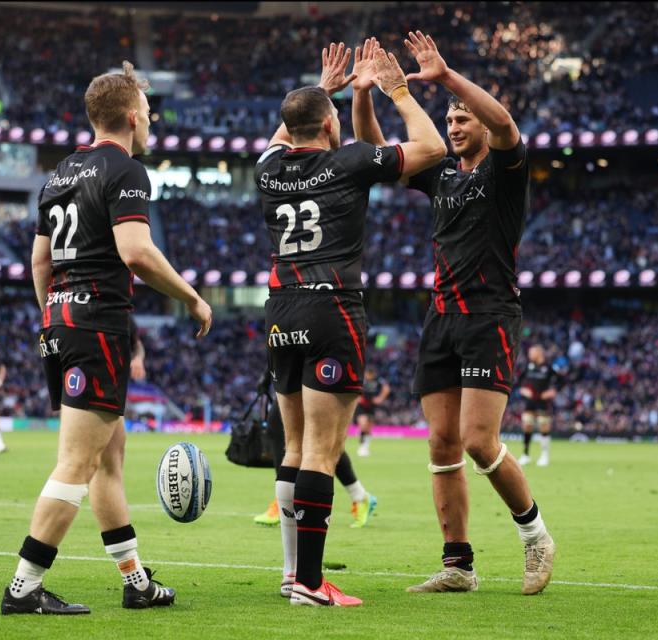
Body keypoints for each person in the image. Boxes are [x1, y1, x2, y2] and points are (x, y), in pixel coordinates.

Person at [1, 61, 213, 616]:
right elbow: (136, 253)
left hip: (64, 321)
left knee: (106, 457)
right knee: (76, 462)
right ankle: (23, 587)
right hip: (98, 326)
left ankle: (135, 579)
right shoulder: (125, 169)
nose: (150, 121)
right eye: (147, 113)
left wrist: (53, 316)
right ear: (128, 116)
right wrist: (191, 296)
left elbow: (40, 260)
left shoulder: (60, 174)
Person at [352, 31, 554, 596]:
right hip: (441, 319)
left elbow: (509, 125)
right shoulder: (442, 176)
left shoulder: (504, 174)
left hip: (489, 315)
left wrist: (443, 77)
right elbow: (379, 157)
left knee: (478, 441)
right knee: (441, 445)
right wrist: (367, 93)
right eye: (451, 119)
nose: (455, 125)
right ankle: (458, 566)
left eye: (464, 118)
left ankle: (535, 536)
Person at [257, 42, 445, 606]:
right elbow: (433, 148)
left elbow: (282, 134)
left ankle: (292, 573)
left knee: (294, 447)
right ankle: (312, 585)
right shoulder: (349, 163)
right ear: (329, 124)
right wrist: (397, 92)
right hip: (332, 307)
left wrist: (325, 90)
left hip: (281, 309)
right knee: (322, 450)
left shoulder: (267, 170)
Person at [252, 370, 378, 530]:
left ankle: (284, 500)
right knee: (308, 436)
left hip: (315, 364)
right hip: (294, 363)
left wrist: (267, 374)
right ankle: (359, 496)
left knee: (316, 437)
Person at [517, 345, 558, 466]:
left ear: (539, 353)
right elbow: (518, 381)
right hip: (530, 402)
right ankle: (525, 455)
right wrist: (522, 389)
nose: (529, 355)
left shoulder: (548, 367)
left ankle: (544, 455)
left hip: (543, 401)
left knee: (543, 426)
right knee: (526, 426)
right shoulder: (528, 366)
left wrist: (553, 391)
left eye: (531, 353)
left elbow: (561, 380)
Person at [355, 366, 391, 457]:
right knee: (363, 424)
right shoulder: (361, 379)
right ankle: (361, 447)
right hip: (361, 405)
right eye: (368, 374)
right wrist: (357, 397)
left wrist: (380, 398)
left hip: (372, 405)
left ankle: (365, 446)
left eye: (371, 374)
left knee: (369, 428)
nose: (369, 376)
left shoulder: (378, 380)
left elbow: (386, 388)